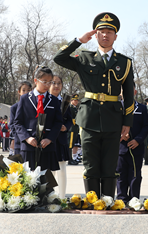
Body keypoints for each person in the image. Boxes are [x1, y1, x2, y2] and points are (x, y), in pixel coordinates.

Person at [53, 12, 134, 198]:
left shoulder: (125, 62)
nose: (105, 35)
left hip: (114, 119)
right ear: (95, 35)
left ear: (115, 36)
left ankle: (107, 202)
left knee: (110, 164)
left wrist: (127, 122)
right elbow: (59, 57)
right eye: (101, 31)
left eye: (109, 32)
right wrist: (78, 41)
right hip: (89, 119)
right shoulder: (84, 58)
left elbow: (129, 96)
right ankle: (92, 202)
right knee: (90, 164)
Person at [11, 66, 63, 171]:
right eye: (44, 81)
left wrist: (49, 139)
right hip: (28, 146)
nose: (47, 85)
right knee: (28, 180)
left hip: (47, 146)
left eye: (50, 82)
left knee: (46, 181)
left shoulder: (54, 101)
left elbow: (58, 123)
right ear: (36, 81)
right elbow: (18, 122)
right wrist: (27, 138)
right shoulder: (25, 99)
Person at [117, 86, 148, 201]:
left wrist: (138, 140)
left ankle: (134, 199)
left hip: (136, 148)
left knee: (135, 176)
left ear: (135, 92)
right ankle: (121, 199)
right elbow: (112, 125)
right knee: (120, 175)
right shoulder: (116, 108)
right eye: (123, 90)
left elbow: (146, 126)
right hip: (121, 148)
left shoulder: (141, 108)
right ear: (120, 93)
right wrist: (120, 135)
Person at [49, 74, 74, 198]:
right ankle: (50, 196)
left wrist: (66, 127)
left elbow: (70, 119)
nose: (56, 86)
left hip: (61, 139)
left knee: (62, 168)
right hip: (48, 139)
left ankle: (62, 197)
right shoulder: (44, 100)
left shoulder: (64, 101)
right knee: (50, 170)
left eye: (59, 83)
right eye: (53, 83)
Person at [9, 81, 33, 157]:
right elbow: (13, 125)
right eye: (23, 90)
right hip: (19, 142)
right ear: (19, 92)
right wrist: (22, 137)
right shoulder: (14, 107)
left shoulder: (34, 106)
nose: (26, 92)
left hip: (32, 141)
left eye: (28, 90)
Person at [68, 94, 82, 165]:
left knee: (72, 144)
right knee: (70, 145)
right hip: (72, 128)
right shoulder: (70, 108)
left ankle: (72, 159)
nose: (76, 101)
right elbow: (70, 118)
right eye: (75, 100)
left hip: (75, 128)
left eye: (77, 100)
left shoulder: (75, 108)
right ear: (71, 100)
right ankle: (70, 159)